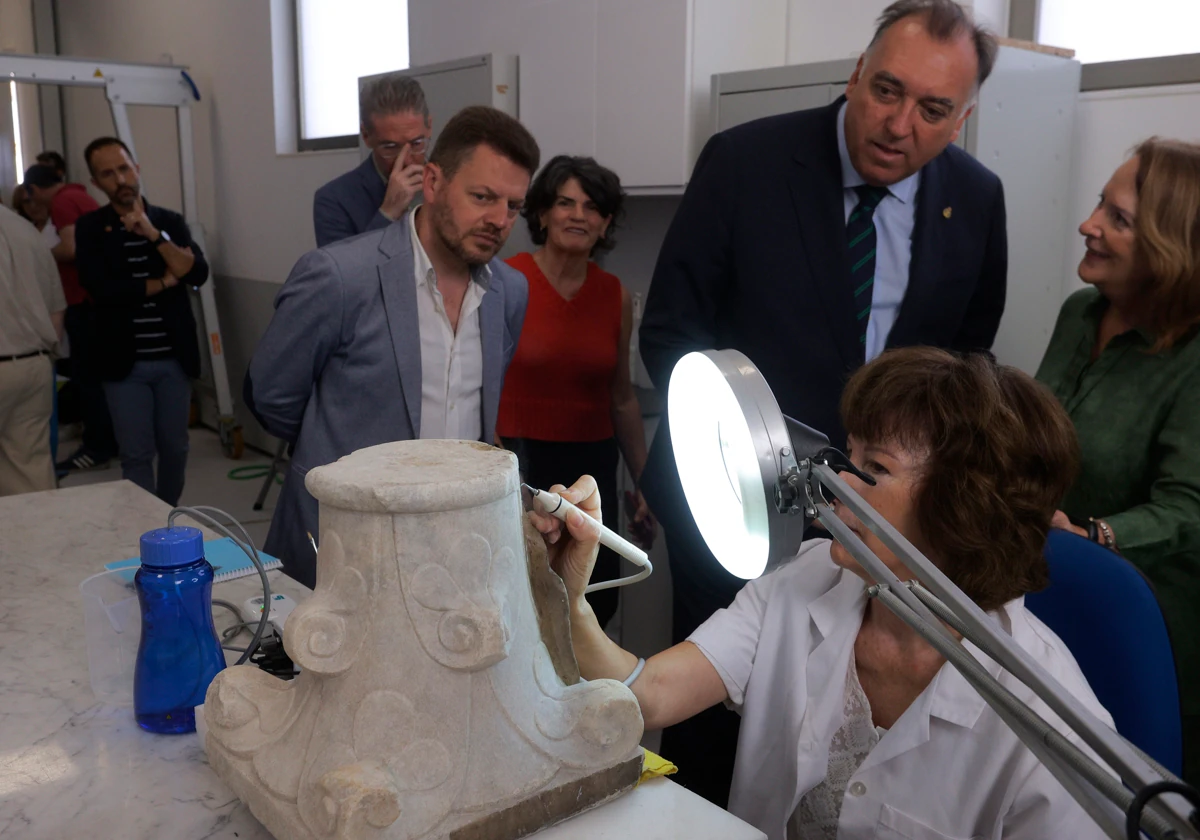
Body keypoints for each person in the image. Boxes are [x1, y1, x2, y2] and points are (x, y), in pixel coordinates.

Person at [638, 0, 1007, 804]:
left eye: (932, 109)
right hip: (733, 502)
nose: (898, 122)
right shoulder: (747, 161)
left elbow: (967, 375)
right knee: (710, 717)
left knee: (846, 733)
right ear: (855, 74)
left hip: (883, 527)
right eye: (885, 89)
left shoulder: (976, 201)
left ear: (963, 118)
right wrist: (755, 451)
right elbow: (670, 332)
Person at [533, 348, 1112, 840]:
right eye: (848, 453)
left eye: (873, 467)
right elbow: (650, 696)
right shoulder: (806, 577)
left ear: (961, 507)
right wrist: (571, 598)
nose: (832, 481)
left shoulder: (1052, 719)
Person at [247, 105, 540, 588]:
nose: (498, 220)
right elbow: (272, 397)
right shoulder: (340, 277)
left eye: (513, 206)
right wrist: (334, 440)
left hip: (457, 545)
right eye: (482, 196)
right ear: (432, 181)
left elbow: (483, 410)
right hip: (348, 541)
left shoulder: (509, 292)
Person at [1036, 137, 1200, 784]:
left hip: (1154, 630)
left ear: (1171, 250)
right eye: (1100, 203)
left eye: (1118, 219)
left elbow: (1188, 507)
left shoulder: (1192, 358)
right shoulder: (1080, 313)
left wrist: (1096, 537)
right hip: (1049, 587)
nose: (1089, 225)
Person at [497, 155, 655, 628]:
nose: (578, 215)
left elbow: (622, 398)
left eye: (592, 207)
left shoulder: (615, 295)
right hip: (519, 462)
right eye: (565, 203)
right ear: (542, 213)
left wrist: (646, 483)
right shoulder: (506, 282)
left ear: (605, 223)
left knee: (588, 600)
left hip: (592, 470)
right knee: (519, 597)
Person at [75, 137, 210, 506]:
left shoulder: (168, 222)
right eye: (107, 174)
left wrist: (152, 235)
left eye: (123, 168)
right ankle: (145, 529)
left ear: (137, 168)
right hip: (124, 363)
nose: (119, 179)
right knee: (135, 454)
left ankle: (164, 515)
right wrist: (166, 281)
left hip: (173, 358)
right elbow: (104, 290)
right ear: (96, 183)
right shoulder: (90, 229)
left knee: (176, 449)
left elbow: (196, 273)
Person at [22, 163, 117, 474]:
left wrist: (37, 253)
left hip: (82, 300)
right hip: (99, 300)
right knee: (98, 378)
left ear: (34, 190)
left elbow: (71, 248)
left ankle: (97, 447)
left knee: (88, 378)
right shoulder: (80, 196)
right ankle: (106, 441)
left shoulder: (62, 202)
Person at [313, 72, 432, 247]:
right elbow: (344, 272)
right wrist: (388, 213)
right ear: (366, 136)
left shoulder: (449, 183)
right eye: (390, 148)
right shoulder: (334, 200)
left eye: (416, 143)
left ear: (429, 126)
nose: (407, 161)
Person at [0, 203, 66, 495]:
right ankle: (38, 540)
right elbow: (56, 311)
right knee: (30, 476)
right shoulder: (26, 231)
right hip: (33, 365)